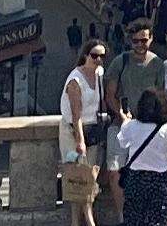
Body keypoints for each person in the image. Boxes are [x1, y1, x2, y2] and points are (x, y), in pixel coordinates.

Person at [110, 66, 167, 226]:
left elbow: (122, 142)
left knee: (133, 219)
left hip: (135, 179)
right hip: (159, 181)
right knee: (157, 220)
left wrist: (126, 121)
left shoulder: (131, 126)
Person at [59, 40, 110, 226]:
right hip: (72, 133)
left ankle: (76, 222)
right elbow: (75, 114)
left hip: (93, 131)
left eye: (102, 56)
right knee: (78, 178)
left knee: (86, 178)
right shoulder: (75, 80)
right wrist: (80, 141)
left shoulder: (99, 74)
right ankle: (89, 221)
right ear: (85, 56)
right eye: (94, 56)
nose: (98, 60)